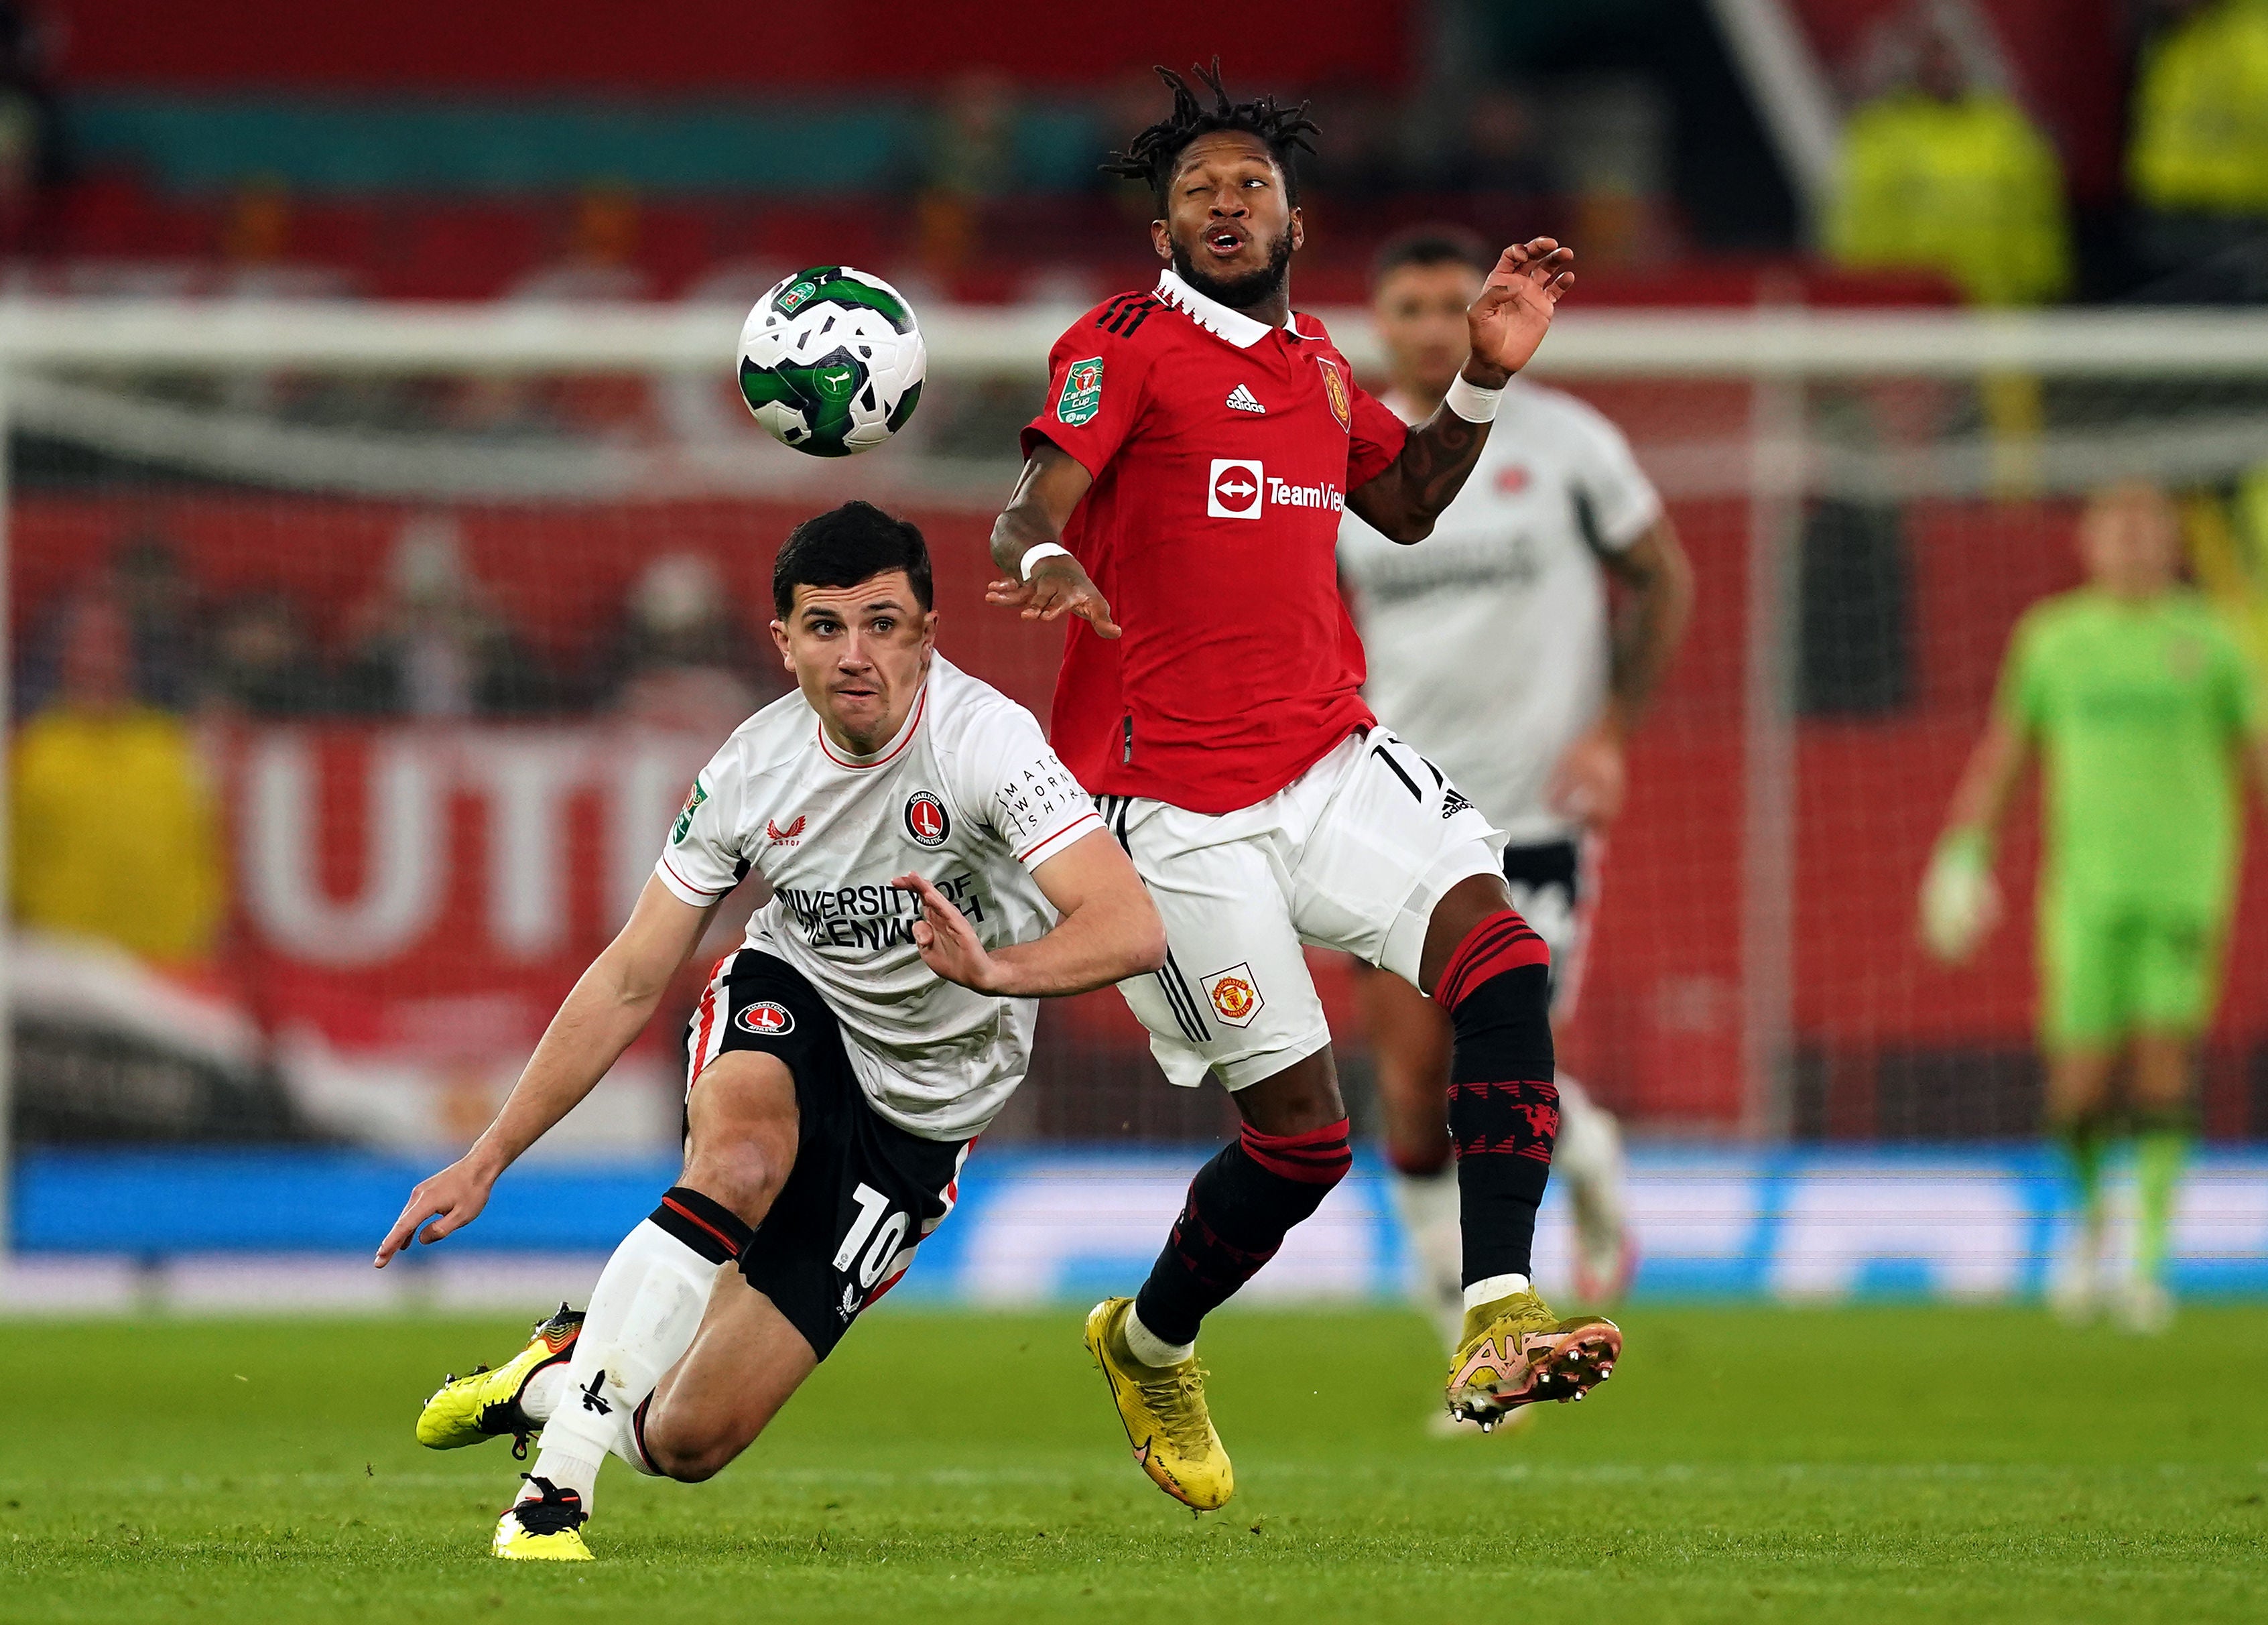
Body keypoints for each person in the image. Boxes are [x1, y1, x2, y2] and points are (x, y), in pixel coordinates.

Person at [983, 61, 1617, 1512]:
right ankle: (1149, 1344)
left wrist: (1482, 376)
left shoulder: (1321, 366)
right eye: (1193, 190)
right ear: (1161, 232)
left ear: (1295, 222)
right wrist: (1041, 559)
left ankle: (1498, 1309)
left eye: (1246, 187)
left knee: (1505, 962)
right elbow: (1029, 501)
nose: (1221, 204)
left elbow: (1404, 505)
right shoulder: (1122, 344)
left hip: (1327, 756)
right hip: (1171, 801)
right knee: (1305, 1140)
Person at [377, 502, 1166, 1560]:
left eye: (884, 624)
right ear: (781, 642)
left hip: (924, 1116)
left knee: (690, 1439)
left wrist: (996, 968)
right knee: (740, 1156)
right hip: (799, 1006)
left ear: (930, 635)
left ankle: (561, 1371)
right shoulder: (751, 771)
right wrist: (488, 1155)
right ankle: (552, 1496)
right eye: (826, 627)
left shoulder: (987, 745)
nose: (857, 655)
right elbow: (628, 977)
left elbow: (1130, 924)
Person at [1336, 228, 1693, 1364]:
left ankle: (1566, 1164)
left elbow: (1663, 579)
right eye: (1411, 306)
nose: (1435, 325)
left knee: (1487, 1056)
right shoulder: (1344, 464)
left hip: (1533, 816)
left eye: (1455, 303)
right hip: (1392, 812)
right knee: (1409, 1080)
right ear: (1378, 324)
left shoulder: (1568, 442)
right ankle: (1465, 1321)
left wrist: (1608, 731)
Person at [1919, 483, 2266, 1334]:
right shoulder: (2054, 640)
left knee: (2161, 1066)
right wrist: (1965, 846)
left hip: (2186, 886)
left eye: (2151, 530)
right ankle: (2088, 1222)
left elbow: (2255, 755)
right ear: (2089, 542)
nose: (2136, 545)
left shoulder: (2213, 639)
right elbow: (2009, 751)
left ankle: (2148, 1261)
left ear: (2172, 544)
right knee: (2075, 1086)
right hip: (2082, 893)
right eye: (2120, 530)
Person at [1826, 4, 2071, 308]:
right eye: (1931, 54)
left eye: (1950, 52)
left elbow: (2036, 218)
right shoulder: (1880, 135)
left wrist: (2044, 287)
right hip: (1912, 319)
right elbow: (1859, 232)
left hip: (2000, 315)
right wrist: (1868, 301)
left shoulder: (2006, 130)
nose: (1942, 65)